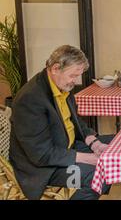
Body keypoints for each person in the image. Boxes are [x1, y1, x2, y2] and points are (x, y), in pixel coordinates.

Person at [9, 45, 114, 200]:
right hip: (44, 167)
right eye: (73, 75)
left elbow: (76, 122)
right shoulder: (30, 99)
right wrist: (89, 158)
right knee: (98, 176)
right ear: (55, 68)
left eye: (79, 75)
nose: (76, 81)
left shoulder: (62, 86)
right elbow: (41, 154)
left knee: (117, 143)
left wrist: (94, 143)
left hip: (66, 146)